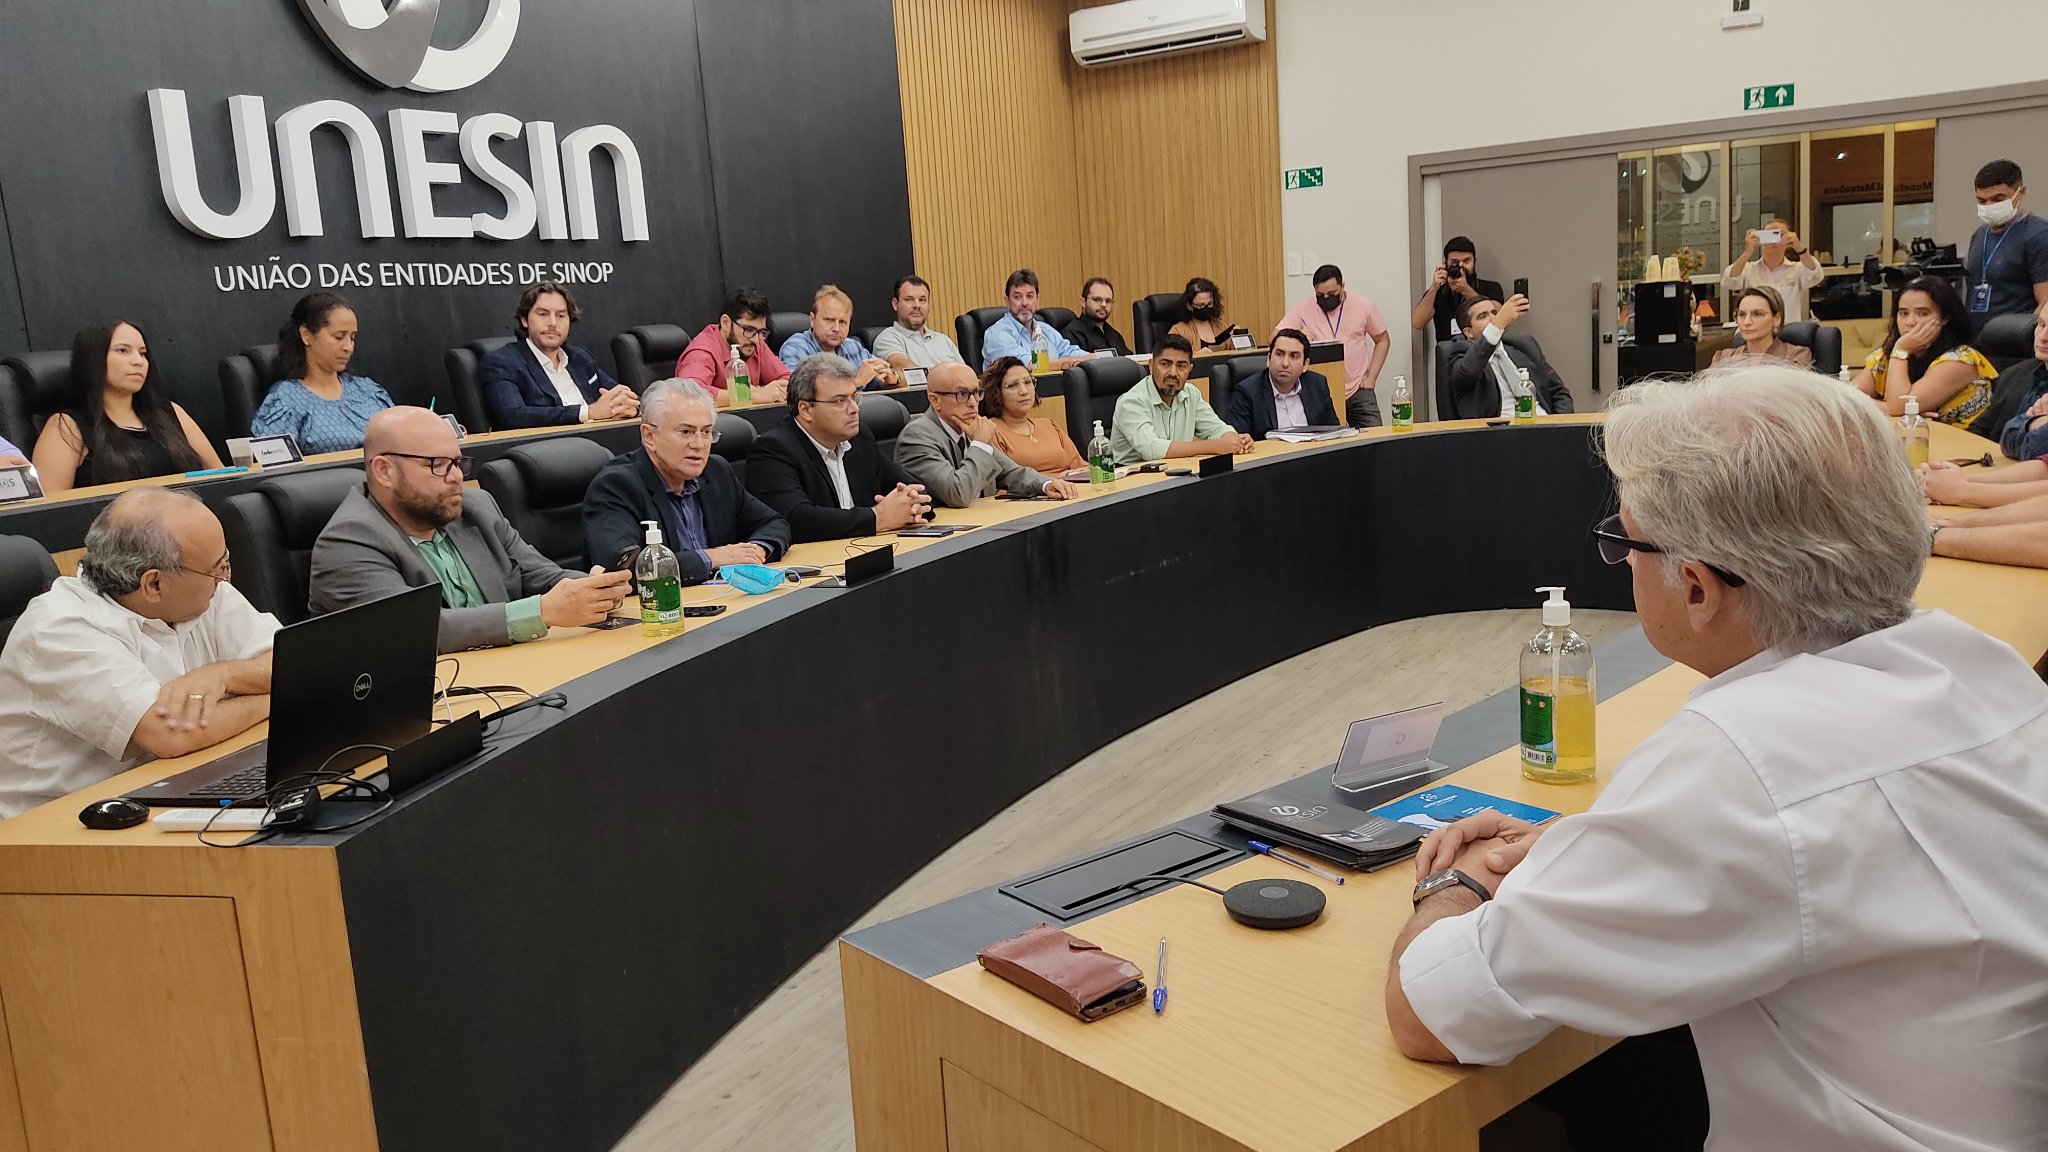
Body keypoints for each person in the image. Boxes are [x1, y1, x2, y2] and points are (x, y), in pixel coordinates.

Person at [1386, 365, 2048, 1152]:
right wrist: (1599, 849)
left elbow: (1429, 1012)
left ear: (1698, 587)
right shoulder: (1983, 669)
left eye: (1623, 543)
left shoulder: (1742, 765)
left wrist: (1456, 883)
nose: (1623, 562)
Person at [0, 489, 277, 819]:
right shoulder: (59, 629)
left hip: (164, 787)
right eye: (217, 568)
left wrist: (224, 674)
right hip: (58, 825)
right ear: (154, 584)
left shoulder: (202, 591)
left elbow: (293, 662)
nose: (224, 577)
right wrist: (278, 698)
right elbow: (173, 735)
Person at [309, 407, 632, 653]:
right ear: (384, 471)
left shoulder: (475, 507)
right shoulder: (348, 540)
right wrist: (543, 611)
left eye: (457, 462)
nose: (456, 477)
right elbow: (414, 632)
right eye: (437, 464)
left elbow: (539, 574)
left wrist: (594, 590)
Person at [581, 379, 789, 583]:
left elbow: (774, 522)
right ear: (649, 436)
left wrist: (756, 550)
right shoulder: (615, 486)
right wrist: (714, 557)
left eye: (706, 432)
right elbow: (624, 569)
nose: (698, 444)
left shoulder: (716, 471)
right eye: (686, 432)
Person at [744, 354, 933, 542]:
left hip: (866, 549)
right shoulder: (773, 451)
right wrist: (879, 518)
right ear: (806, 410)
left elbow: (911, 489)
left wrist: (912, 505)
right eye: (840, 401)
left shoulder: (860, 438)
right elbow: (796, 520)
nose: (854, 409)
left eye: (854, 397)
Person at [30, 320, 220, 492]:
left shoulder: (170, 413)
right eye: (123, 351)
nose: (138, 361)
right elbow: (49, 508)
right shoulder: (67, 426)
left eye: (143, 353)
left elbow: (222, 479)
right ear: (94, 359)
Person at [895, 362, 1075, 508]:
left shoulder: (967, 426)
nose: (973, 403)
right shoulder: (917, 436)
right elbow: (958, 494)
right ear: (935, 400)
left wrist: (1045, 484)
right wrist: (980, 442)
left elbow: (1011, 473)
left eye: (976, 393)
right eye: (962, 394)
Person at [1919, 309, 2048, 509]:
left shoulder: (1964, 360)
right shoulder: (2015, 374)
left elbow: (2033, 448)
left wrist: (1960, 490)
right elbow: (2003, 433)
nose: (2043, 336)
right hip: (2002, 477)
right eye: (2041, 325)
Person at [477, 281, 639, 429]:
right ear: (524, 320)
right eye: (543, 314)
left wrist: (630, 407)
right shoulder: (502, 362)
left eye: (561, 316)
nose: (553, 323)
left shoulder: (580, 358)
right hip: (546, 448)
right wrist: (589, 412)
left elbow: (623, 396)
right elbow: (513, 415)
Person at [251, 292, 395, 455]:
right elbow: (274, 463)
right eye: (338, 337)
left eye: (352, 338)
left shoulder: (368, 391)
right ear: (306, 335)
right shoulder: (286, 400)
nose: (348, 347)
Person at [1850, 275, 1994, 425]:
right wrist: (1904, 411)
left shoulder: (1962, 359)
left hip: (1960, 438)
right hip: (1912, 436)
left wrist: (1901, 351)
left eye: (1923, 313)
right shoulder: (1889, 354)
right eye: (1903, 313)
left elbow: (1897, 407)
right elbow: (1846, 398)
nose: (1910, 322)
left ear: (1944, 318)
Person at [1109, 333, 1253, 465]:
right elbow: (1151, 449)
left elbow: (1216, 428)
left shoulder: (1191, 394)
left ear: (1189, 370)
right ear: (1151, 366)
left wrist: (1234, 439)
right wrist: (1216, 446)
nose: (1173, 373)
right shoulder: (1131, 401)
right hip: (1134, 480)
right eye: (1165, 364)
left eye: (1181, 366)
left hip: (1177, 473)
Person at [1276, 263, 1389, 429]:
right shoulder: (1303, 308)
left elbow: (1383, 340)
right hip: (1319, 391)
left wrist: (1371, 378)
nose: (1326, 298)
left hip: (1358, 389)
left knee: (1376, 437)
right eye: (1320, 295)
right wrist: (1298, 335)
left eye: (1331, 294)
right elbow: (1274, 337)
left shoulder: (1363, 305)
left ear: (1342, 286)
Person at [1445, 295, 1573, 420]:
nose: (1493, 319)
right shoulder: (1460, 353)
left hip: (1543, 424)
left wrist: (1560, 425)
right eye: (1483, 316)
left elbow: (1559, 393)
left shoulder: (1525, 346)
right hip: (1501, 430)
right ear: (1468, 332)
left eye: (1495, 313)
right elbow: (1467, 373)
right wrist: (1497, 325)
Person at [1963, 159, 2048, 333]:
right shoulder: (1979, 236)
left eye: (1998, 199)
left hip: (2017, 340)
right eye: (1982, 201)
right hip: (1978, 339)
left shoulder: (2038, 234)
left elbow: (2045, 304)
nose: (1989, 206)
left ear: (2021, 193)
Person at [675, 286, 790, 407]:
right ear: (726, 323)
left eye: (761, 332)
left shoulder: (755, 341)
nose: (756, 340)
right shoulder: (702, 351)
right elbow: (689, 394)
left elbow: (788, 380)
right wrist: (751, 395)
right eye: (748, 329)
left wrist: (767, 391)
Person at [1225, 329, 1339, 440]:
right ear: (1268, 359)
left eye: (1294, 356)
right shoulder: (1247, 392)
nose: (1285, 363)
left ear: (1305, 364)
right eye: (1279, 354)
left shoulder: (1317, 385)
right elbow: (1238, 441)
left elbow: (1333, 433)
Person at [980, 357, 1086, 475]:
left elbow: (1082, 468)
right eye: (1012, 385)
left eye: (1028, 382)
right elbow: (1004, 481)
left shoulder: (1050, 425)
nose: (1024, 391)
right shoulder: (991, 431)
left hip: (1072, 486)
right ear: (996, 392)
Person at [777, 284, 893, 389]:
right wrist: (855, 382)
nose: (836, 328)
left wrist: (890, 380)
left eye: (842, 322)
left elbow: (876, 381)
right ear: (812, 320)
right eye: (829, 320)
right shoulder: (796, 347)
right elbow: (798, 391)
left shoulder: (853, 347)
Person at [979, 269, 1089, 370]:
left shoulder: (1046, 330)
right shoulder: (998, 334)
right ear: (1007, 301)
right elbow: (1029, 366)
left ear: (1037, 300)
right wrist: (1077, 362)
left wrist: (1096, 357)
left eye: (1030, 296)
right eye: (1017, 297)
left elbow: (1070, 351)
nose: (1025, 303)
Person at [1722, 218, 1825, 324]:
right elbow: (1728, 281)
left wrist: (1799, 248)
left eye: (1780, 235)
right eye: (1768, 235)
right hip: (1754, 330)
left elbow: (1817, 275)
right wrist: (1748, 252)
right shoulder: (1748, 269)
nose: (1773, 241)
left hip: (1788, 330)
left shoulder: (1796, 269)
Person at [1410, 236, 1506, 344]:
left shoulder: (1491, 287)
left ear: (1474, 262)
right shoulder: (1439, 292)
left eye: (1466, 261)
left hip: (1484, 349)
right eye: (1455, 262)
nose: (1461, 266)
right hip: (1449, 351)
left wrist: (1466, 290)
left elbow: (1500, 317)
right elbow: (1418, 323)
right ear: (1446, 264)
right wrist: (1434, 288)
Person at [871, 275, 965, 370]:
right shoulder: (887, 339)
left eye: (922, 300)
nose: (917, 305)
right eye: (909, 299)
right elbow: (903, 368)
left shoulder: (944, 340)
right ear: (895, 304)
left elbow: (966, 373)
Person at [1709, 286, 1813, 369]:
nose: (1747, 322)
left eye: (1757, 314)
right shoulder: (1723, 358)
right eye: (1742, 314)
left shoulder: (1796, 356)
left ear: (1776, 319)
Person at [1167, 277, 1247, 351]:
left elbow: (1233, 354)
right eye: (1201, 305)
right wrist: (1196, 355)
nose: (1206, 308)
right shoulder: (1179, 331)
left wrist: (1237, 340)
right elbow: (1171, 355)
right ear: (1189, 305)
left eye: (1209, 304)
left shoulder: (1221, 326)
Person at [1062, 277, 1130, 356]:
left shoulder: (1115, 335)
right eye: (1097, 299)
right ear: (1083, 302)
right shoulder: (1072, 333)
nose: (1104, 305)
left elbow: (1130, 359)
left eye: (1108, 301)